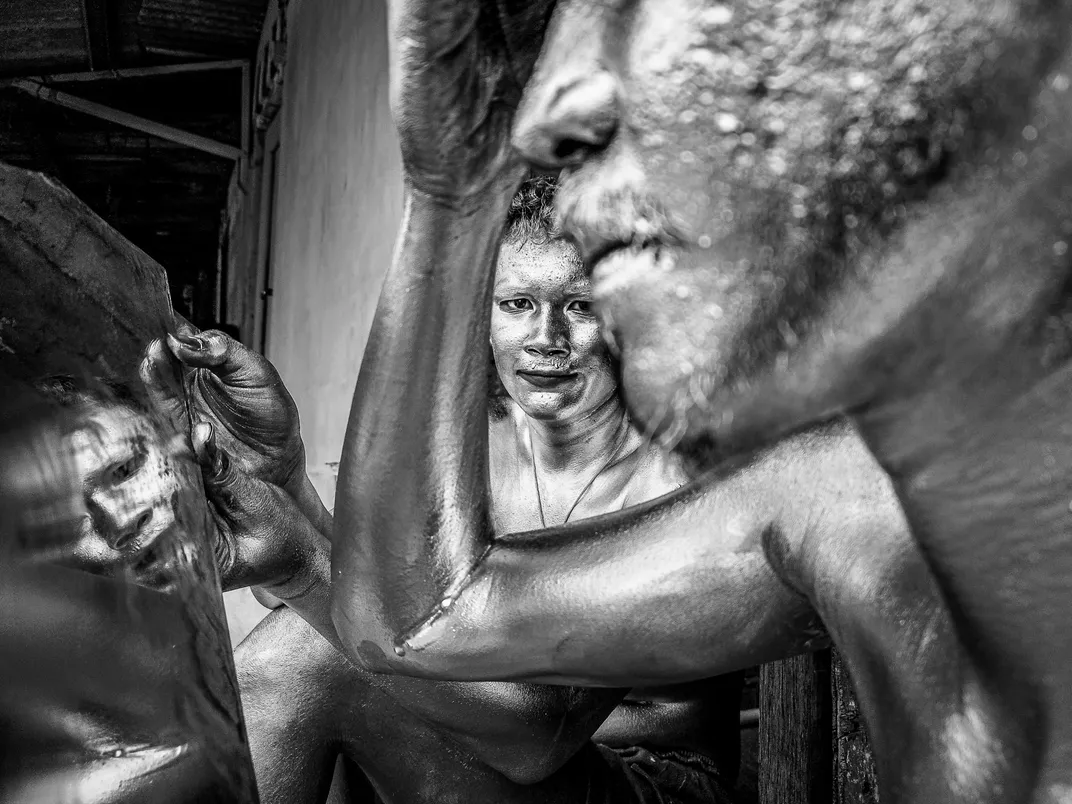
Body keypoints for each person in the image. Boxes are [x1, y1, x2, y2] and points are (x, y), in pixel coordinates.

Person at [326, 2, 1072, 802]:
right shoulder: (828, 495)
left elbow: (522, 721)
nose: (546, 119)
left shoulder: (722, 476)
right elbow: (421, 621)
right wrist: (456, 193)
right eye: (515, 304)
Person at [153, 180, 746, 803]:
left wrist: (302, 562)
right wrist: (283, 480)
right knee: (325, 655)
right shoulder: (466, 441)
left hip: (648, 777)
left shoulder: (673, 477)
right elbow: (342, 602)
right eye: (517, 303)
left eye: (580, 306)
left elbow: (539, 739)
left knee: (323, 659)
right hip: (489, 734)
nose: (545, 338)